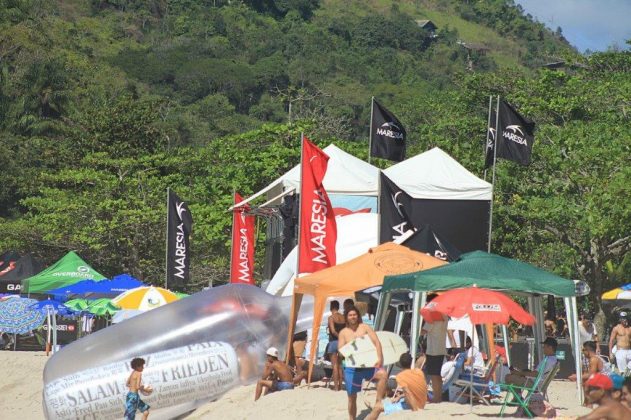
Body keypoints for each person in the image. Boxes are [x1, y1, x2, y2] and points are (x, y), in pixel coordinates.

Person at [338, 306, 387, 420]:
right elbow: (340, 351)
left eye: (354, 314)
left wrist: (379, 358)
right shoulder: (343, 333)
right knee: (352, 397)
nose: (353, 317)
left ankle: (378, 403)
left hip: (367, 365)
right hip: (351, 367)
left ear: (358, 316)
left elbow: (377, 342)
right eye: (350, 315)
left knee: (383, 375)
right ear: (347, 317)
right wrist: (348, 351)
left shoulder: (365, 328)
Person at [365, 353, 427, 419]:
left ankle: (376, 409)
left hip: (413, 405)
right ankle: (376, 409)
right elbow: (413, 391)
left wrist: (415, 410)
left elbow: (407, 392)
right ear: (411, 362)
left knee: (377, 408)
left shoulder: (401, 376)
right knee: (392, 401)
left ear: (400, 363)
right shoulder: (419, 372)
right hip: (421, 403)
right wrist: (399, 397)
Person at [420, 293, 448, 403]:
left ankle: (437, 398)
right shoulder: (443, 314)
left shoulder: (434, 315)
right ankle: (438, 397)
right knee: (436, 374)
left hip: (434, 349)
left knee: (434, 375)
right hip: (440, 348)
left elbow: (424, 331)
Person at [327, 300, 345, 391]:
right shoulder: (343, 317)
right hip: (342, 344)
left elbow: (333, 331)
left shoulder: (331, 318)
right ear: (338, 307)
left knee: (334, 366)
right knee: (340, 366)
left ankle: (336, 387)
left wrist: (339, 337)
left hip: (334, 342)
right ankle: (341, 386)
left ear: (331, 307)